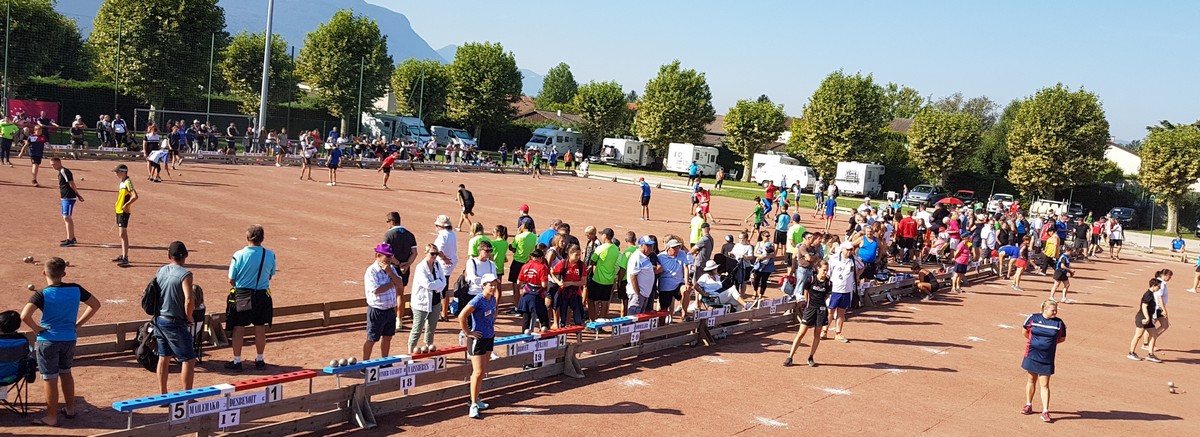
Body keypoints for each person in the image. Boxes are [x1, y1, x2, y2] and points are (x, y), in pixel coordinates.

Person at [19, 257, 101, 427]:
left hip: (47, 340)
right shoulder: (76, 289)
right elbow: (95, 304)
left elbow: (24, 316)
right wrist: (78, 324)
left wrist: (36, 328)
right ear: (64, 273)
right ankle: (70, 409)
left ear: (44, 273)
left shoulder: (42, 294)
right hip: (69, 339)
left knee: (49, 378)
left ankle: (51, 417)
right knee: (66, 372)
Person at [224, 225, 277, 371]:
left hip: (242, 295)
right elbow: (271, 275)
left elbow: (231, 279)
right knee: (260, 327)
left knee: (238, 328)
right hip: (262, 295)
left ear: (247, 238)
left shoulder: (239, 255)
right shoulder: (270, 254)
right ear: (262, 238)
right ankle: (260, 359)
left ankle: (237, 361)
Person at [154, 242, 197, 395]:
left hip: (159, 319)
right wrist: (189, 317)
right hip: (175, 321)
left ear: (169, 255)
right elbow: (189, 300)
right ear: (186, 255)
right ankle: (187, 396)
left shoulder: (161, 271)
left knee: (163, 357)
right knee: (188, 359)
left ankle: (163, 394)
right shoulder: (186, 274)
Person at [460, 273, 498, 418]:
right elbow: (462, 316)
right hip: (478, 339)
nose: (493, 287)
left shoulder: (492, 299)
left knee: (482, 372)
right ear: (483, 286)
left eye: (494, 284)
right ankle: (473, 404)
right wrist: (468, 332)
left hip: (489, 337)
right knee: (477, 372)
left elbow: (493, 313)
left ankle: (476, 398)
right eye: (490, 284)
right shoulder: (478, 300)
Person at [1021, 299, 1066, 423]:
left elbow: (1062, 338)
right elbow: (1025, 331)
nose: (1055, 312)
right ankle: (1028, 405)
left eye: (1056, 309)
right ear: (1045, 310)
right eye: (1053, 310)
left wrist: (1049, 345)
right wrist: (1035, 343)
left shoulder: (1059, 323)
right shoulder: (1033, 318)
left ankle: (1045, 411)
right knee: (1031, 380)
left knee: (1044, 384)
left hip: (1047, 358)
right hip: (1032, 355)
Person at [785, 260, 831, 367]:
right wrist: (807, 303)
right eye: (824, 270)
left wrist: (821, 306)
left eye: (827, 270)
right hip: (810, 309)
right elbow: (806, 291)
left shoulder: (828, 283)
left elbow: (826, 296)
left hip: (821, 310)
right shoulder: (811, 279)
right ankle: (790, 356)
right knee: (801, 333)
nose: (825, 273)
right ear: (818, 269)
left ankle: (811, 357)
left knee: (817, 334)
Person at [410, 244, 449, 353]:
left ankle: (428, 347)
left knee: (431, 327)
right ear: (426, 253)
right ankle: (411, 351)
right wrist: (438, 284)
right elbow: (427, 285)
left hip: (435, 300)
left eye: (436, 254)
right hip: (422, 302)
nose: (434, 256)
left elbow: (444, 281)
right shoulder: (420, 267)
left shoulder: (437, 264)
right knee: (417, 328)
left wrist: (437, 284)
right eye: (432, 253)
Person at [824, 241, 862, 343]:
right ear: (842, 249)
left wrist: (857, 276)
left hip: (847, 290)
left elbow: (862, 267)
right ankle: (824, 331)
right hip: (834, 289)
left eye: (851, 249)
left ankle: (838, 333)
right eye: (848, 249)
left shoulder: (854, 260)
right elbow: (828, 272)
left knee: (841, 312)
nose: (850, 251)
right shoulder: (834, 259)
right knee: (830, 311)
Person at [1127, 278, 1163, 363]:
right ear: (1153, 286)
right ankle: (1131, 352)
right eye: (1158, 286)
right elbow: (1144, 306)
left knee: (1154, 335)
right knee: (1138, 336)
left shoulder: (1152, 294)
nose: (1160, 288)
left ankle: (1151, 354)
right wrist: (1147, 317)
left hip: (1148, 319)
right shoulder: (1148, 295)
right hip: (1142, 318)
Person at [588, 228, 620, 322]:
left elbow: (592, 261)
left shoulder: (601, 248)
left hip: (598, 279)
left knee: (590, 300)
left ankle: (592, 322)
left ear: (605, 236)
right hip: (609, 280)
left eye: (602, 234)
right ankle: (600, 323)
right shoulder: (616, 249)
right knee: (605, 302)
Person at [50, 158, 84, 247]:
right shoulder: (61, 172)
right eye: (51, 165)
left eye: (54, 164)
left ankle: (70, 239)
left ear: (59, 163)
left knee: (67, 217)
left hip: (69, 197)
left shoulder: (64, 171)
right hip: (65, 197)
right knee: (66, 217)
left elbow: (71, 183)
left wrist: (77, 194)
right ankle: (71, 237)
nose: (52, 166)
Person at [516, 248, 551, 332]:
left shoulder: (525, 266)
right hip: (537, 295)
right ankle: (545, 336)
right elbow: (544, 284)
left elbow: (518, 282)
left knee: (526, 316)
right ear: (541, 257)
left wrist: (528, 280)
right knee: (543, 316)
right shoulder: (542, 267)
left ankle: (524, 338)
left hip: (526, 293)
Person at [433, 215, 459, 320]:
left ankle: (443, 313)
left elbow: (438, 250)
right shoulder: (452, 233)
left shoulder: (442, 235)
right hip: (450, 263)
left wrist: (444, 259)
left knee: (441, 288)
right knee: (445, 287)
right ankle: (444, 312)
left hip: (443, 264)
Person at [111, 164, 138, 267]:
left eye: (117, 172)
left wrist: (126, 205)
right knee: (121, 234)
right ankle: (123, 255)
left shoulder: (128, 182)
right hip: (119, 210)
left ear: (123, 172)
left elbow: (135, 196)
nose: (116, 174)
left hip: (123, 212)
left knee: (123, 234)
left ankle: (125, 257)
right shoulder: (122, 182)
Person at [625, 236, 658, 315]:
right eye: (648, 245)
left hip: (644, 294)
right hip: (638, 295)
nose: (650, 248)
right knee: (633, 318)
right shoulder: (637, 257)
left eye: (651, 245)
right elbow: (633, 276)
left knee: (639, 319)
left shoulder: (644, 256)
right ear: (641, 245)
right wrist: (637, 293)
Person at [656, 239, 690, 314]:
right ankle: (661, 323)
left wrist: (687, 283)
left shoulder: (682, 253)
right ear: (668, 248)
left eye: (678, 247)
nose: (677, 249)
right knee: (664, 308)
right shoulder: (660, 257)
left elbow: (686, 268)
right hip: (665, 286)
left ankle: (684, 314)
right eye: (674, 247)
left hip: (678, 283)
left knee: (686, 290)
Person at [1141, 269, 1172, 353]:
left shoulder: (1162, 283)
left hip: (1159, 308)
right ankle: (1147, 344)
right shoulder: (1160, 284)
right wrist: (1164, 310)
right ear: (1164, 275)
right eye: (1170, 276)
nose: (1170, 278)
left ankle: (1151, 340)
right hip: (1157, 308)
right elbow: (1159, 297)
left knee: (1165, 325)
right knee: (1151, 326)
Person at [509, 222, 537, 311]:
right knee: (529, 286)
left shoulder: (519, 236)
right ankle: (527, 306)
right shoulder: (535, 236)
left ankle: (517, 307)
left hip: (518, 262)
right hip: (529, 262)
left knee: (516, 286)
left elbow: (512, 247)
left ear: (524, 226)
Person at [751, 231, 776, 298]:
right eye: (766, 236)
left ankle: (761, 294)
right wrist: (760, 256)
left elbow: (773, 255)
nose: (768, 237)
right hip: (759, 264)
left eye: (769, 236)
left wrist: (766, 256)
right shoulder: (759, 243)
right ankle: (755, 291)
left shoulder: (771, 244)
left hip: (768, 265)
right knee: (756, 279)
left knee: (764, 280)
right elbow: (754, 253)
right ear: (762, 236)